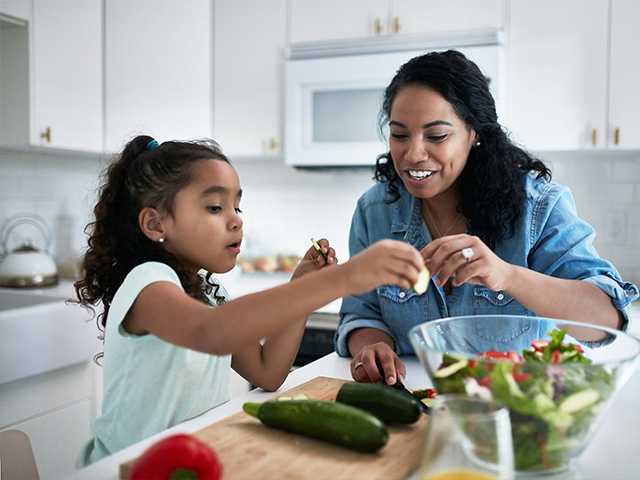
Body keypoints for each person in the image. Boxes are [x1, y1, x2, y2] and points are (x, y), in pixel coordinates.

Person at [74, 135, 425, 464]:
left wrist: (302, 286)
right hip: (124, 468)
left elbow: (267, 371)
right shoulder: (149, 282)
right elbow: (210, 332)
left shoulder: (210, 293)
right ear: (155, 224)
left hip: (190, 458)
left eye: (237, 207)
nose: (236, 222)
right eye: (214, 208)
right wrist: (345, 277)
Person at [335, 50, 639, 386]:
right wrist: (374, 345)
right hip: (412, 406)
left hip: (516, 410)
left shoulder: (539, 207)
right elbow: (361, 312)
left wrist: (507, 276)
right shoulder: (374, 211)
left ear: (474, 133)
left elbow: (607, 319)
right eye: (400, 134)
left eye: (436, 136)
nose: (413, 154)